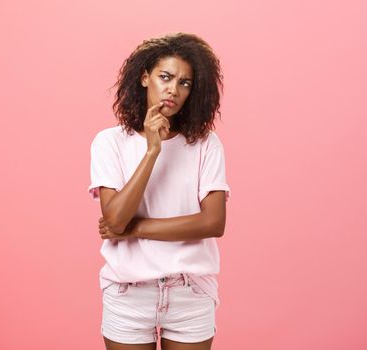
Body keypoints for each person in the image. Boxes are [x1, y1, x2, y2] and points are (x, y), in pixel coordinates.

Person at [88, 32, 231, 350]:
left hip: (189, 292)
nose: (174, 89)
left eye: (185, 83)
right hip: (128, 292)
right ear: (144, 78)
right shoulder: (110, 142)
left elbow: (213, 223)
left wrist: (132, 229)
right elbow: (114, 217)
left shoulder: (205, 144)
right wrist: (152, 151)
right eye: (165, 77)